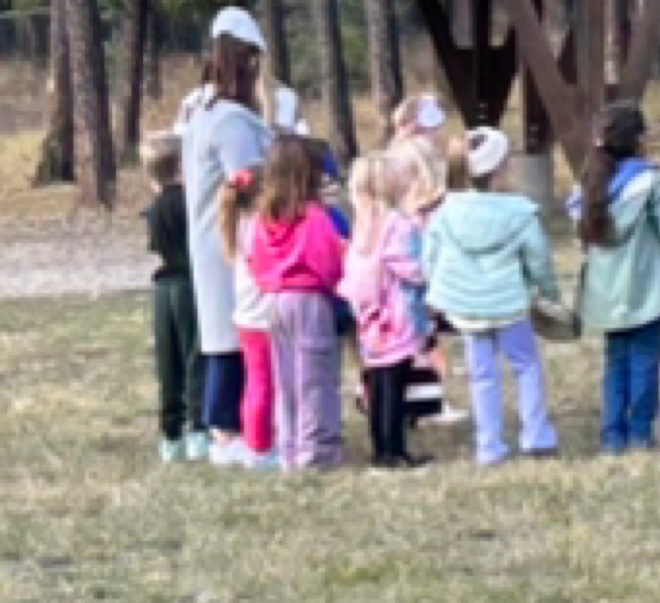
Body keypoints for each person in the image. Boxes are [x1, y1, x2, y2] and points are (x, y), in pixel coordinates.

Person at [426, 125, 565, 464]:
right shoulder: (520, 213)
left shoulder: (445, 212)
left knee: (482, 375)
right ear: (501, 168)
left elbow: (430, 259)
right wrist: (549, 293)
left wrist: (439, 293)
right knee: (526, 365)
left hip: (467, 309)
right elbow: (539, 260)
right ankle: (536, 436)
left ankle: (489, 446)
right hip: (509, 305)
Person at [174, 8, 271, 462]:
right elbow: (246, 181)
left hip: (214, 236)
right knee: (234, 331)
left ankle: (225, 426)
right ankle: (228, 429)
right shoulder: (231, 121)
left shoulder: (203, 111)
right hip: (230, 239)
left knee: (222, 329)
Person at [571, 100, 660, 454]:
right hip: (647, 290)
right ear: (641, 140)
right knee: (645, 364)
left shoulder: (589, 187)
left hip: (606, 295)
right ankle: (639, 433)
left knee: (616, 365)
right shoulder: (649, 183)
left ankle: (612, 436)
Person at [242, 131, 349, 473]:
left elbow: (254, 260)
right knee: (316, 376)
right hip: (311, 301)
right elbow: (328, 264)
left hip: (275, 301)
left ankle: (289, 447)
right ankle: (317, 450)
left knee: (286, 376)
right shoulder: (314, 217)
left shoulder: (264, 218)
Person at [341, 144, 437, 470]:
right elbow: (411, 267)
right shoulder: (397, 224)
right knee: (396, 385)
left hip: (369, 317)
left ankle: (380, 448)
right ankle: (395, 451)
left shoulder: (361, 226)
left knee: (377, 383)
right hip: (397, 314)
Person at [141, 131, 199, 462]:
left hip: (163, 287)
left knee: (168, 361)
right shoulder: (190, 204)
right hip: (189, 283)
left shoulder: (154, 210)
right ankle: (197, 427)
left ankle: (170, 433)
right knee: (194, 355)